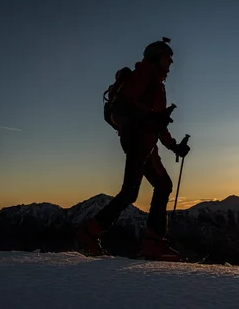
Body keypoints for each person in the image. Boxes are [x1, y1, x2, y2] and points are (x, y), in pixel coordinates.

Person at [77, 39, 191, 261]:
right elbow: (129, 107)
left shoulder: (154, 83)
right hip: (138, 140)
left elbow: (157, 125)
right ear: (157, 58)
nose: (170, 64)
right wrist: (154, 122)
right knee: (137, 190)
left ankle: (146, 242)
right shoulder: (145, 77)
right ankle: (94, 233)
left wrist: (174, 146)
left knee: (152, 186)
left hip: (142, 141)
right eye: (168, 59)